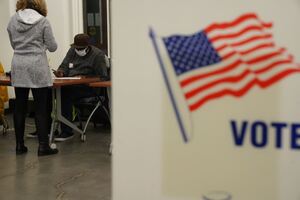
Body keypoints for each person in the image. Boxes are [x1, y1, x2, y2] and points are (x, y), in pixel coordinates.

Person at [7, 0, 58, 156]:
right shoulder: (43, 21)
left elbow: (13, 44)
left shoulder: (13, 19)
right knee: (41, 108)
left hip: (19, 64)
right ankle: (43, 146)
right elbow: (53, 47)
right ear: (40, 5)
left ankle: (19, 146)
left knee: (19, 107)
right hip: (37, 64)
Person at [53, 33, 109, 141]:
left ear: (88, 46)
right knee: (46, 91)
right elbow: (64, 66)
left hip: (88, 88)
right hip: (69, 83)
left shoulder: (98, 55)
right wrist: (61, 72)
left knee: (64, 94)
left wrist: (86, 77)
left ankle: (67, 131)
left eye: (81, 48)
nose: (78, 50)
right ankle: (46, 129)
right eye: (76, 48)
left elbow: (103, 77)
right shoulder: (72, 51)